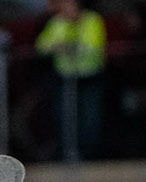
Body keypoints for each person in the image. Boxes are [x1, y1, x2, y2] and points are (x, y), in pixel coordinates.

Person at [35, 0, 105, 160]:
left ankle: (90, 156)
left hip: (89, 77)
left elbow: (93, 46)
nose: (65, 8)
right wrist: (57, 46)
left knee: (90, 119)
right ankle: (67, 154)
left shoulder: (92, 19)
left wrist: (65, 47)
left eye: (69, 4)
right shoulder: (57, 22)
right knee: (65, 117)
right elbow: (41, 46)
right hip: (65, 78)